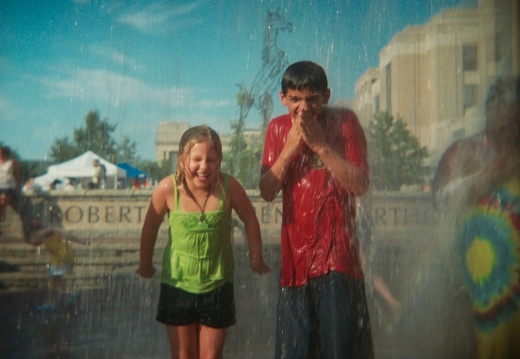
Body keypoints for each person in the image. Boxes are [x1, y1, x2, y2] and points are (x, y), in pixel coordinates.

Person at [259, 61, 374, 358]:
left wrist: (322, 147)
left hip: (338, 260)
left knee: (340, 350)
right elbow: (267, 191)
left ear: (326, 96)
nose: (303, 108)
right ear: (283, 97)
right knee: (293, 351)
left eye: (312, 99)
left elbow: (360, 185)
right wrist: (289, 149)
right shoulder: (277, 128)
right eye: (295, 99)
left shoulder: (345, 121)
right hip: (294, 264)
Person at [137, 125, 270, 359]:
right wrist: (145, 264)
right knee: (183, 355)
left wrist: (256, 258)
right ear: (181, 160)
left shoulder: (228, 187)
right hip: (177, 285)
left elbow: (250, 219)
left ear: (220, 160)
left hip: (218, 286)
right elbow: (150, 227)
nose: (204, 166)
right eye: (196, 159)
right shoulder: (168, 189)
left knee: (211, 357)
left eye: (211, 159)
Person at [432, 76, 520, 359]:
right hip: (476, 305)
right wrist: (492, 173)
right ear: (489, 115)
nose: (510, 134)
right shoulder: (465, 153)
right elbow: (441, 200)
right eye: (503, 126)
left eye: (515, 126)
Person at [26, 227, 86, 311]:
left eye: (31, 242)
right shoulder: (45, 238)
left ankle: (68, 294)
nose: (33, 245)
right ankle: (57, 300)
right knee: (54, 280)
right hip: (63, 257)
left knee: (54, 279)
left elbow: (57, 230)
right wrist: (80, 241)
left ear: (32, 236)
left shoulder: (44, 233)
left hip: (63, 257)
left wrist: (79, 240)